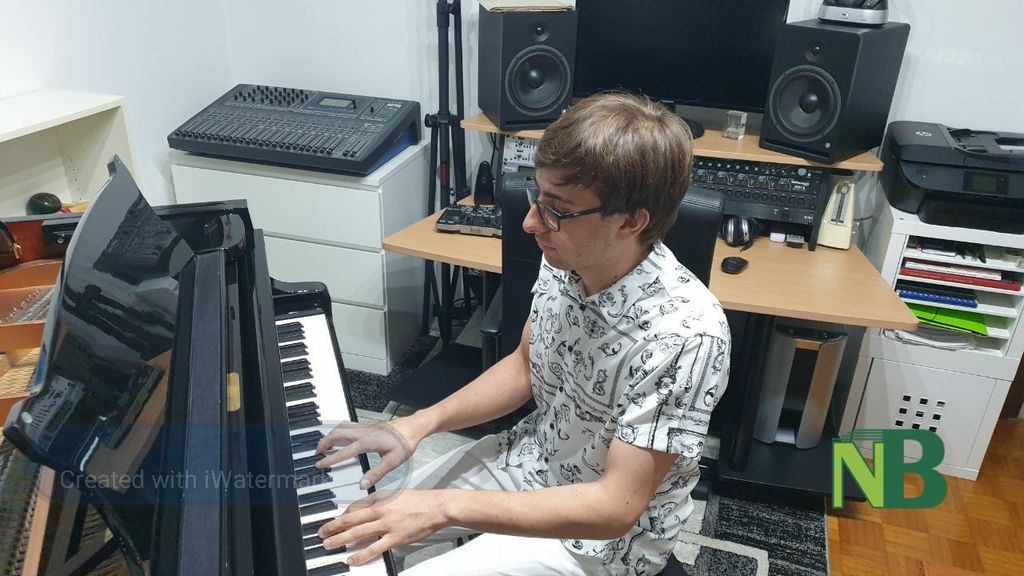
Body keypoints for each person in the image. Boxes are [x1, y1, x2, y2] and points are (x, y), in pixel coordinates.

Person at [312, 92, 731, 576]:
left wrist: (442, 507)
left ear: (631, 222)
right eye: (538, 197)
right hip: (532, 458)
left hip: (605, 540)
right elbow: (525, 366)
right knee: (358, 524)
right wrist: (416, 425)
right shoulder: (568, 259)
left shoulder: (686, 337)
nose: (531, 222)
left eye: (557, 209)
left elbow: (615, 506)